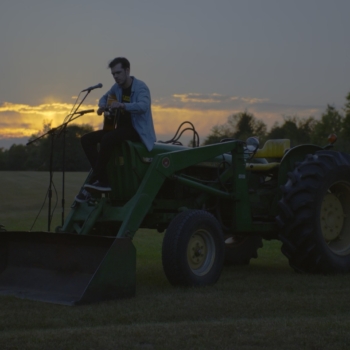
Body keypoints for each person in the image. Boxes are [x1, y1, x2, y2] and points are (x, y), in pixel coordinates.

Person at [75, 57, 156, 203]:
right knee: (86, 139)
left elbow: (143, 106)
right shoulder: (116, 88)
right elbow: (104, 98)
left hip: (137, 131)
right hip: (120, 130)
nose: (116, 76)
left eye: (118, 73)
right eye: (113, 74)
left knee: (108, 139)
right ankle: (102, 180)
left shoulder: (141, 87)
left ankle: (96, 182)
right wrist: (102, 107)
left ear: (127, 70)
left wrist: (123, 106)